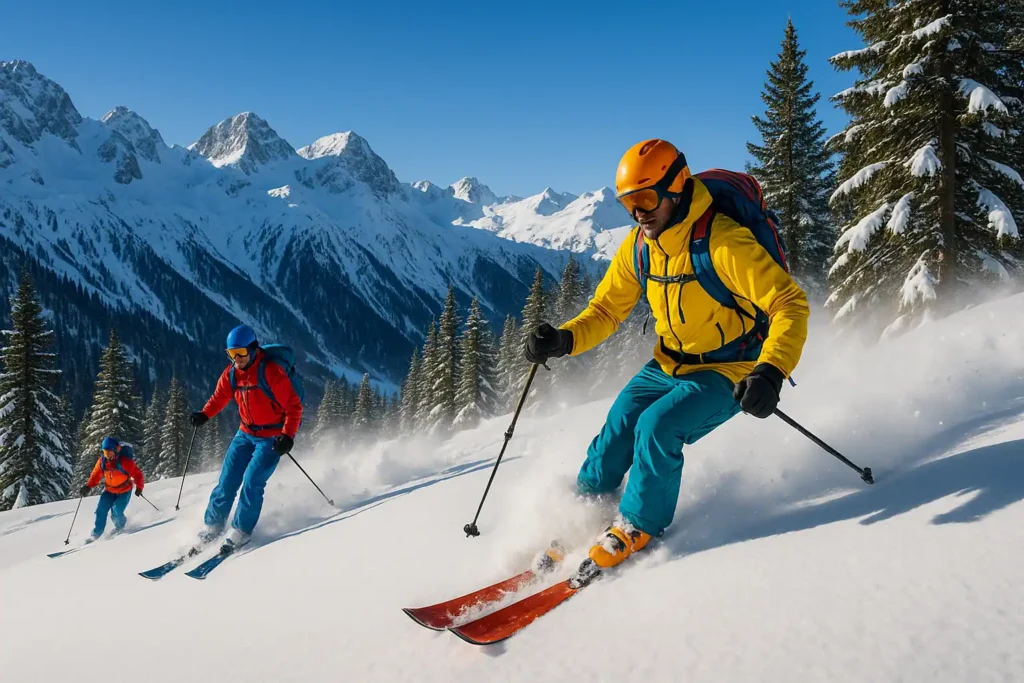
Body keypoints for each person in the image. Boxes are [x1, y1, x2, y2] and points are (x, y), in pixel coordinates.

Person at [525, 139, 809, 573]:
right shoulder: (640, 245)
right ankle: (584, 511)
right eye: (628, 203)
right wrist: (564, 340)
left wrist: (771, 372)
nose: (638, 213)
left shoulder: (722, 242)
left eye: (645, 199)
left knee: (658, 428)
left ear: (676, 187)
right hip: (669, 362)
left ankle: (638, 523)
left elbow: (788, 303)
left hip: (729, 366)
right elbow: (605, 309)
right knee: (620, 423)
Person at [190, 324, 303, 550]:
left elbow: (294, 407)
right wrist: (204, 414)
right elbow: (220, 397)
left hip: (271, 438)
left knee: (252, 482)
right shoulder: (231, 373)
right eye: (231, 354)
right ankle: (213, 525)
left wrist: (287, 436)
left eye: (240, 353)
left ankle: (241, 530)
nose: (236, 359)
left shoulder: (270, 372)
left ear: (253, 349)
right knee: (227, 480)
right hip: (244, 434)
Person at [81, 436, 145, 542]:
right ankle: (96, 534)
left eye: (109, 452)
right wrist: (88, 486)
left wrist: (139, 487)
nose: (107, 455)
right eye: (105, 452)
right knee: (101, 509)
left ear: (116, 450)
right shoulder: (102, 462)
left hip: (124, 490)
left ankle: (120, 527)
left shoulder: (125, 462)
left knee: (116, 511)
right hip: (109, 491)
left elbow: (138, 474)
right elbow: (95, 475)